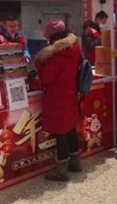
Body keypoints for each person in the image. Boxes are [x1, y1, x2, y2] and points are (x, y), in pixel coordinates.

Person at [35, 19, 82, 182]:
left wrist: (40, 63)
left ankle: (61, 170)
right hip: (70, 94)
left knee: (60, 132)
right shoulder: (74, 47)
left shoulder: (57, 54)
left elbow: (47, 78)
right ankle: (75, 163)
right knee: (70, 129)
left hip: (57, 97)